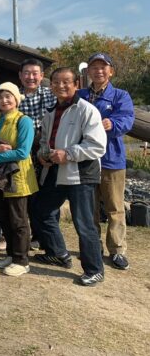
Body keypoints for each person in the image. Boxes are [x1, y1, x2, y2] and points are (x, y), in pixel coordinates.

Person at [34, 67, 107, 287]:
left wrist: (69, 154)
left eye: (66, 82)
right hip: (54, 171)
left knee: (84, 223)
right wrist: (42, 155)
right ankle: (58, 253)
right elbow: (45, 141)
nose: (61, 86)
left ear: (77, 84)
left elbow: (97, 146)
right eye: (56, 82)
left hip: (81, 174)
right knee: (40, 210)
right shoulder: (50, 112)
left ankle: (94, 269)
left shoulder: (87, 109)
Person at [78, 53, 135, 270]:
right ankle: (94, 247)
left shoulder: (120, 95)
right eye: (94, 67)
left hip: (112, 159)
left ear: (110, 71)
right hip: (86, 159)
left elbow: (127, 119)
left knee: (114, 207)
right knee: (88, 208)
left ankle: (118, 250)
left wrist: (112, 123)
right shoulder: (81, 95)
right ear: (88, 71)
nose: (98, 71)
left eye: (103, 67)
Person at [0, 82, 38, 277]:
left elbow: (23, 151)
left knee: (18, 220)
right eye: (0, 97)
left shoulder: (24, 121)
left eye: (8, 96)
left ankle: (22, 260)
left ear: (16, 99)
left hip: (17, 176)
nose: (4, 100)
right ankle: (11, 255)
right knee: (3, 217)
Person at [17, 58, 57, 250]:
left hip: (46, 150)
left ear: (42, 76)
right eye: (26, 73)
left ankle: (49, 239)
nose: (30, 77)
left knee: (48, 194)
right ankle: (35, 235)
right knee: (29, 194)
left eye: (35, 73)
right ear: (20, 76)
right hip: (23, 152)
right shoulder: (15, 96)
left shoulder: (51, 94)